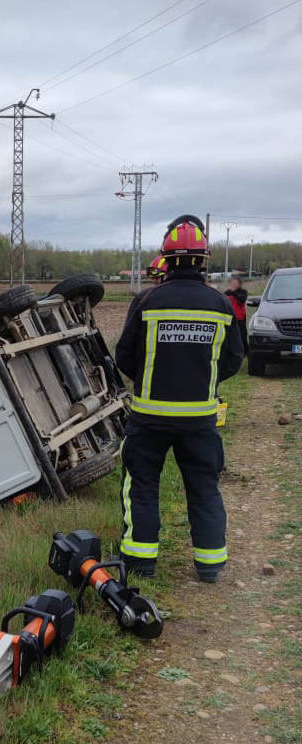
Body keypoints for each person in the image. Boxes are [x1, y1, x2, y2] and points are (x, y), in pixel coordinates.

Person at [115, 215, 244, 583]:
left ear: (167, 260)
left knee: (142, 486)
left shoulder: (147, 300)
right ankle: (209, 565)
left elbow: (124, 355)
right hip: (200, 420)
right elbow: (234, 358)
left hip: (149, 419)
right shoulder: (220, 305)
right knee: (204, 488)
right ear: (203, 260)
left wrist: (149, 381)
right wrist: (204, 381)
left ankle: (141, 563)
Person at [225, 276, 249, 355]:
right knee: (230, 336)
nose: (234, 284)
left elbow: (242, 299)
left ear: (239, 284)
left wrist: (233, 292)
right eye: (233, 283)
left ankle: (245, 352)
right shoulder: (228, 292)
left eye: (235, 283)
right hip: (230, 317)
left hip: (240, 318)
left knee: (242, 336)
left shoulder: (243, 292)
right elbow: (222, 297)